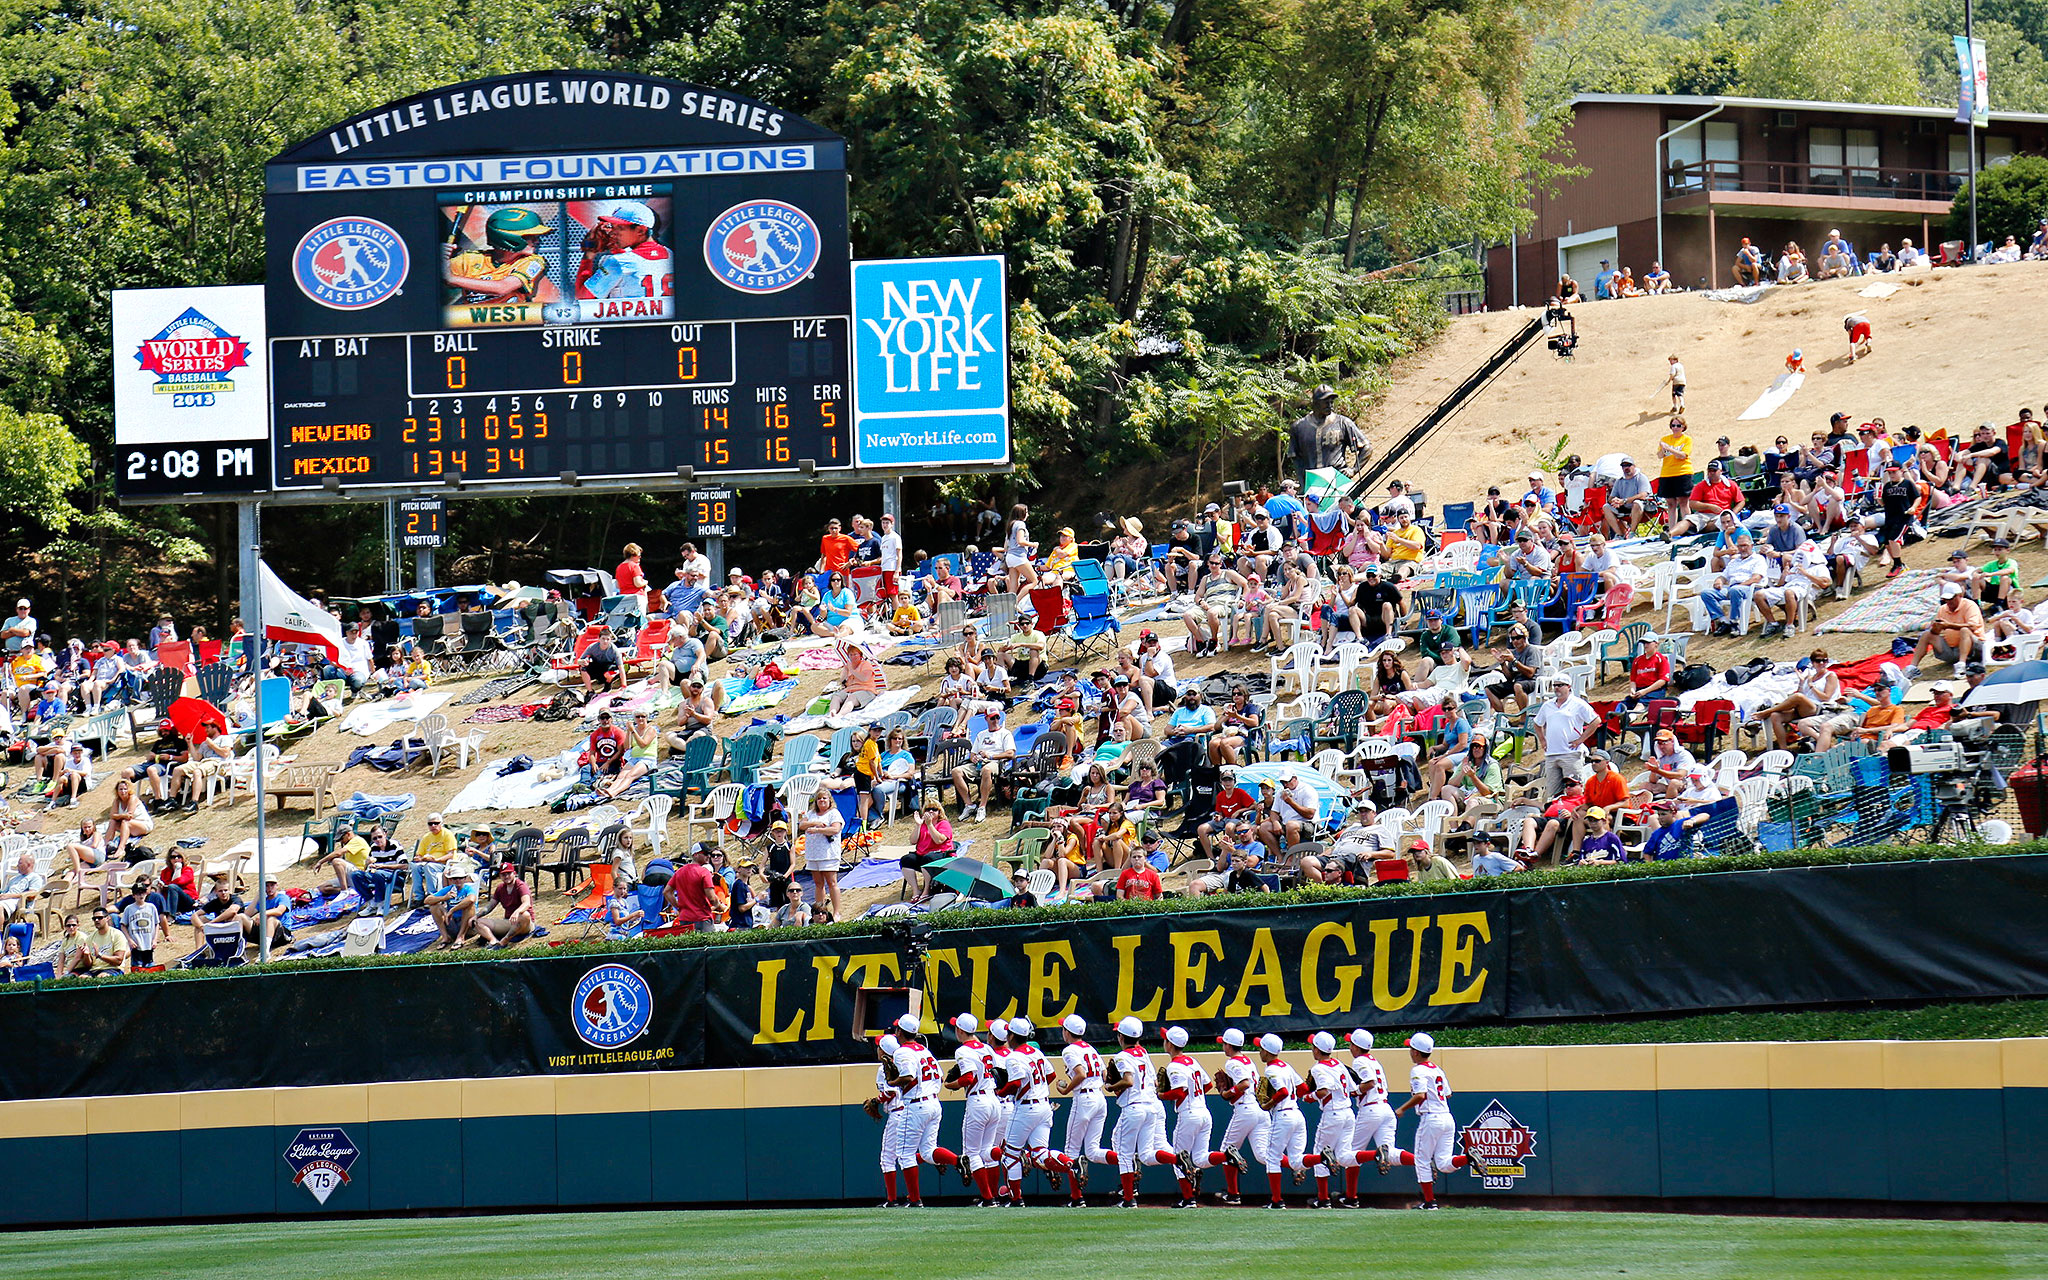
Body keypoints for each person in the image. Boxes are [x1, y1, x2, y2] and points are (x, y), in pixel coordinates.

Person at [1105, 1016, 1196, 1208]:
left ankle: (1129, 1200)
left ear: (1122, 1036)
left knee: (1124, 1154)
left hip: (1135, 1107)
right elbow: (1154, 1082)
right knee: (1146, 1155)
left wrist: (1111, 1086)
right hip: (1152, 1105)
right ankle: (1176, 1158)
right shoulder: (1144, 1052)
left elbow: (1128, 1081)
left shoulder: (1122, 1056)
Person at [1393, 1032, 1469, 1208]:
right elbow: (1448, 1094)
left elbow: (1420, 1095)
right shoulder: (1437, 1069)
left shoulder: (1418, 1070)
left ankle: (1429, 1202)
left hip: (1431, 1118)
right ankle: (1468, 1158)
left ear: (1417, 1052)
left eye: (1411, 1049)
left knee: (1421, 1160)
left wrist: (1402, 1108)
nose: (1410, 1052)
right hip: (1447, 1117)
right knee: (1443, 1163)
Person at [1255, 1031, 1321, 1206]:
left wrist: (1267, 1105)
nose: (1259, 1052)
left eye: (1261, 1049)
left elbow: (1283, 1092)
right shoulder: (1286, 1066)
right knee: (1295, 1159)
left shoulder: (1271, 1069)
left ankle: (1277, 1201)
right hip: (1297, 1115)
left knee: (1272, 1158)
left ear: (1267, 1052)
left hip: (1283, 1115)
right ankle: (1322, 1158)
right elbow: (1303, 1090)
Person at [1532, 676, 1598, 800]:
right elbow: (1537, 723)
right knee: (1553, 793)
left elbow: (1595, 720)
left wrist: (1581, 739)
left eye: (1560, 685)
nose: (1556, 688)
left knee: (1575, 790)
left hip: (1571, 753)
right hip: (1551, 754)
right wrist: (1542, 740)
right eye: (1554, 685)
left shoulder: (1578, 703)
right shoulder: (1547, 705)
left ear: (1569, 687)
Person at [949, 717, 1016, 823]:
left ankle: (982, 807)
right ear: (986, 719)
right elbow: (972, 753)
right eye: (992, 718)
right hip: (978, 763)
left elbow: (1010, 754)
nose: (995, 720)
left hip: (995, 762)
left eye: (997, 717)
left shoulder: (1005, 733)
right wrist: (973, 758)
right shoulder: (981, 734)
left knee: (986, 770)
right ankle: (969, 805)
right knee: (956, 771)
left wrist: (991, 756)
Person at [798, 788, 845, 918]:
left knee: (832, 882)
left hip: (828, 853)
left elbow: (835, 829)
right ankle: (821, 911)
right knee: (818, 883)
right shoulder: (811, 813)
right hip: (813, 854)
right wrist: (816, 823)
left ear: (829, 800)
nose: (822, 800)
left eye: (824, 798)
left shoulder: (834, 813)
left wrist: (817, 830)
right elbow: (802, 825)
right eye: (819, 798)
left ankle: (836, 912)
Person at [467, 862, 535, 947]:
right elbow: (490, 906)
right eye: (503, 874)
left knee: (525, 915)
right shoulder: (500, 888)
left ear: (514, 873)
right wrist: (476, 916)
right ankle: (493, 940)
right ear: (500, 876)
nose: (506, 876)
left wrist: (517, 912)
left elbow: (526, 903)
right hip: (509, 922)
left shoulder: (521, 886)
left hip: (524, 923)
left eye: (509, 873)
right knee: (477, 922)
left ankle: (504, 940)